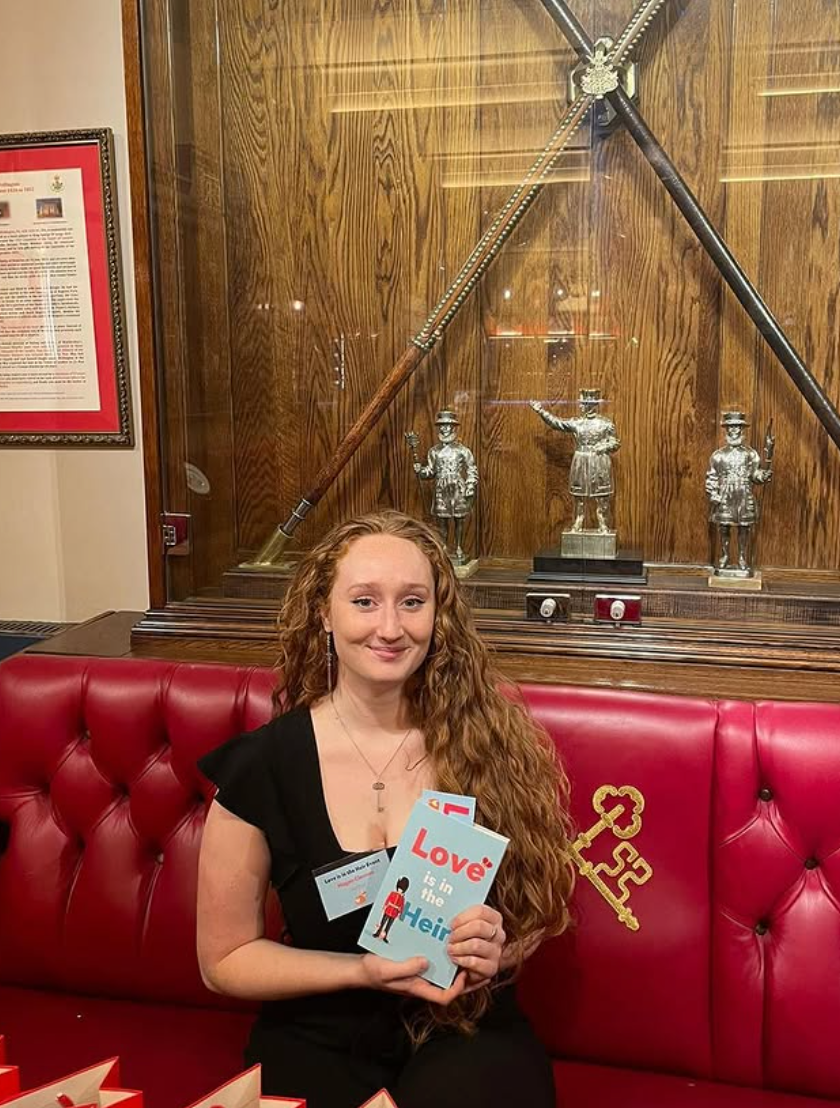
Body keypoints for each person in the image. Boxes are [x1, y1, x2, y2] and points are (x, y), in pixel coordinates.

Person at [197, 510, 574, 1108]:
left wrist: (495, 949)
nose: (391, 628)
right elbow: (224, 960)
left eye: (413, 601)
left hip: (465, 1028)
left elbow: (530, 918)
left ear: (438, 614)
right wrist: (359, 971)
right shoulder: (262, 766)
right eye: (365, 601)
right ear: (324, 612)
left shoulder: (488, 743)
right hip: (318, 1030)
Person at [529, 389, 620, 533]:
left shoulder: (605, 424)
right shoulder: (577, 423)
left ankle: (603, 523)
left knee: (602, 496)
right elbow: (557, 423)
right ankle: (578, 521)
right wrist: (541, 411)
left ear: (590, 405)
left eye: (583, 403)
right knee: (579, 496)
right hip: (580, 461)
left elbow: (615, 443)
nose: (580, 406)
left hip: (599, 462)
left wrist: (604, 446)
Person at [705, 411, 774, 576]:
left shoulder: (750, 454)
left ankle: (743, 557)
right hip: (725, 494)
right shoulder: (718, 455)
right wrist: (713, 492)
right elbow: (712, 476)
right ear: (726, 429)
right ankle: (725, 556)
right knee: (724, 526)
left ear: (742, 430)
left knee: (744, 527)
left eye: (737, 426)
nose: (733, 430)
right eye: (730, 427)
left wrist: (762, 475)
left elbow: (754, 475)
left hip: (744, 494)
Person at [410, 410, 478, 565]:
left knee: (459, 519)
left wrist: (470, 485)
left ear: (453, 428)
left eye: (447, 426)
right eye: (441, 426)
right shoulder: (434, 451)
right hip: (441, 488)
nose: (444, 429)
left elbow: (471, 469)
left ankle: (459, 547)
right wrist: (420, 470)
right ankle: (445, 548)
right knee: (442, 520)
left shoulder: (462, 450)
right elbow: (431, 471)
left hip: (457, 488)